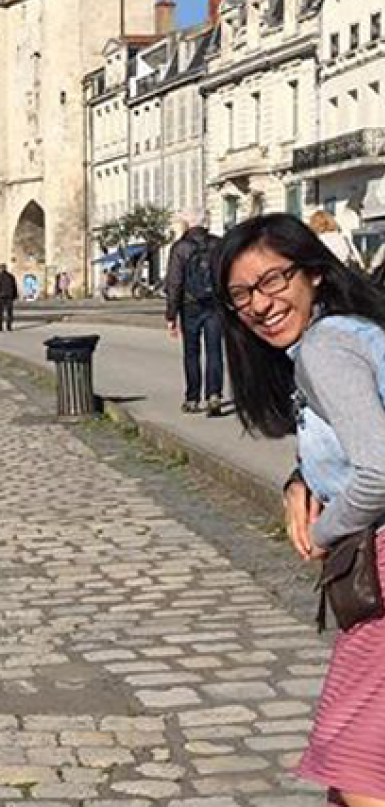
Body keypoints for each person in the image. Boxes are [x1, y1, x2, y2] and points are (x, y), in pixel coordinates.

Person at [217, 213, 385, 807]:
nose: (260, 304)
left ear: (314, 272)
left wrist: (325, 530)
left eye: (273, 280)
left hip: (383, 567)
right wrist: (299, 480)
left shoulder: (328, 348)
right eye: (241, 294)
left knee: (362, 765)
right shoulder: (350, 335)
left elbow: (380, 468)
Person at [165, 225, 225, 416]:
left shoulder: (180, 248)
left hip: (189, 305)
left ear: (188, 225)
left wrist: (171, 315)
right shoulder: (217, 243)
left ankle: (192, 399)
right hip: (214, 304)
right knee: (214, 350)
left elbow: (174, 282)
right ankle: (214, 394)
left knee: (191, 353)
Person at [0, 264, 18, 332]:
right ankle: (8, 326)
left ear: (0, 268)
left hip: (2, 297)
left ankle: (0, 326)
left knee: (1, 312)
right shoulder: (11, 276)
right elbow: (14, 287)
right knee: (8, 312)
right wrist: (14, 296)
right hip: (8, 297)